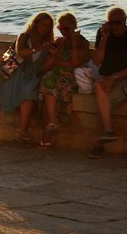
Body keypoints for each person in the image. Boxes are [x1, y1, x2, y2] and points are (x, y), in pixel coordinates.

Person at [86, 7, 127, 158]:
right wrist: (104, 38)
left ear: (125, 21)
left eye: (118, 23)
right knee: (100, 90)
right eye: (111, 23)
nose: (115, 27)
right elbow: (97, 61)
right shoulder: (103, 33)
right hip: (106, 78)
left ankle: (99, 142)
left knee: (103, 101)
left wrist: (114, 77)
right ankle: (108, 132)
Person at [36, 11, 90, 149]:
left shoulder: (83, 43)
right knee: (47, 82)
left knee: (51, 88)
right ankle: (52, 122)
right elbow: (48, 64)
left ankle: (47, 134)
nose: (64, 31)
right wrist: (58, 59)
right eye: (61, 28)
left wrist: (74, 45)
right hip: (54, 75)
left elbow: (76, 64)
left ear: (74, 27)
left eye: (68, 28)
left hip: (70, 77)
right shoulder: (59, 42)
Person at [0, 12, 54, 146]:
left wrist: (53, 55)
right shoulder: (24, 36)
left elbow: (43, 67)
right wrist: (38, 49)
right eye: (43, 24)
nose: (45, 28)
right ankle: (22, 132)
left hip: (34, 75)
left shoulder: (49, 42)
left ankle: (22, 132)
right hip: (19, 72)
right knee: (28, 92)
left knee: (30, 92)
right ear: (35, 23)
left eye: (48, 26)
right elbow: (20, 52)